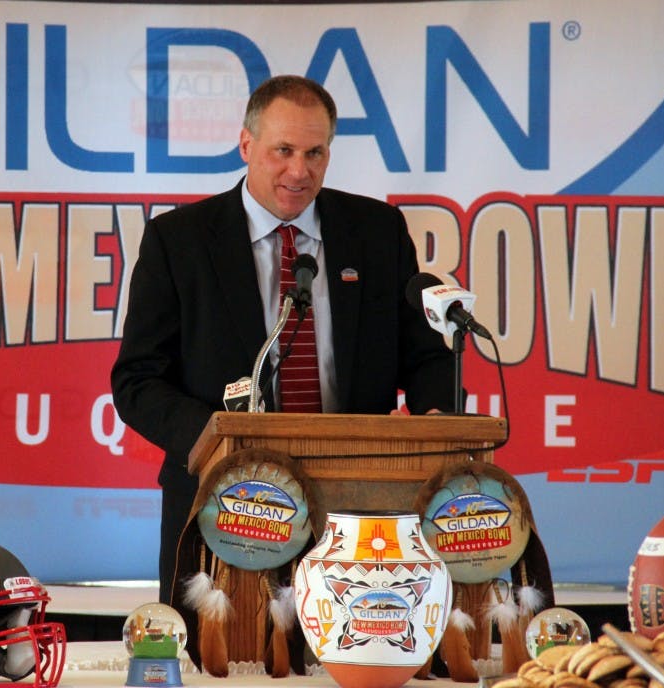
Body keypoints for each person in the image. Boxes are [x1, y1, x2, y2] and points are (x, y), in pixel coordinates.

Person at [110, 75, 456, 603]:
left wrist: (433, 420)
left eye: (315, 153)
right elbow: (137, 380)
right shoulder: (179, 241)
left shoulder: (377, 231)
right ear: (246, 145)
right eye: (283, 151)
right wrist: (217, 442)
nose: (299, 171)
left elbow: (427, 356)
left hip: (360, 512)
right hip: (225, 507)